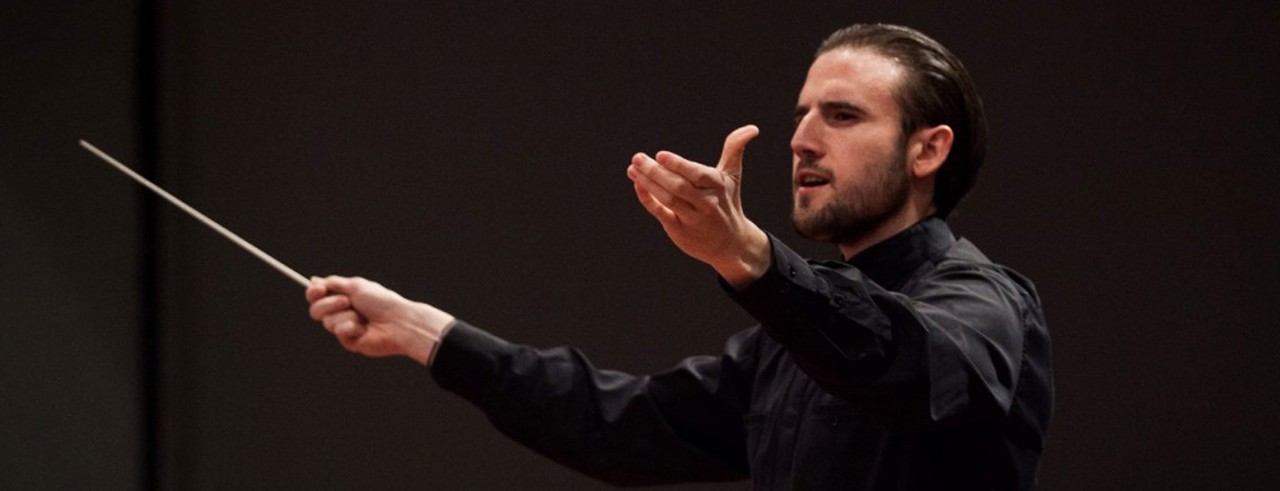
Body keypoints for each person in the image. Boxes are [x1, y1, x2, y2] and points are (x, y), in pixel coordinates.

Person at [306, 23, 1053, 490]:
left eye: (843, 115)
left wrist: (755, 259)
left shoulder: (986, 302)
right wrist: (426, 333)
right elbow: (620, 425)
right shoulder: (784, 348)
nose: (801, 139)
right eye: (802, 116)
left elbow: (907, 366)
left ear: (928, 149)